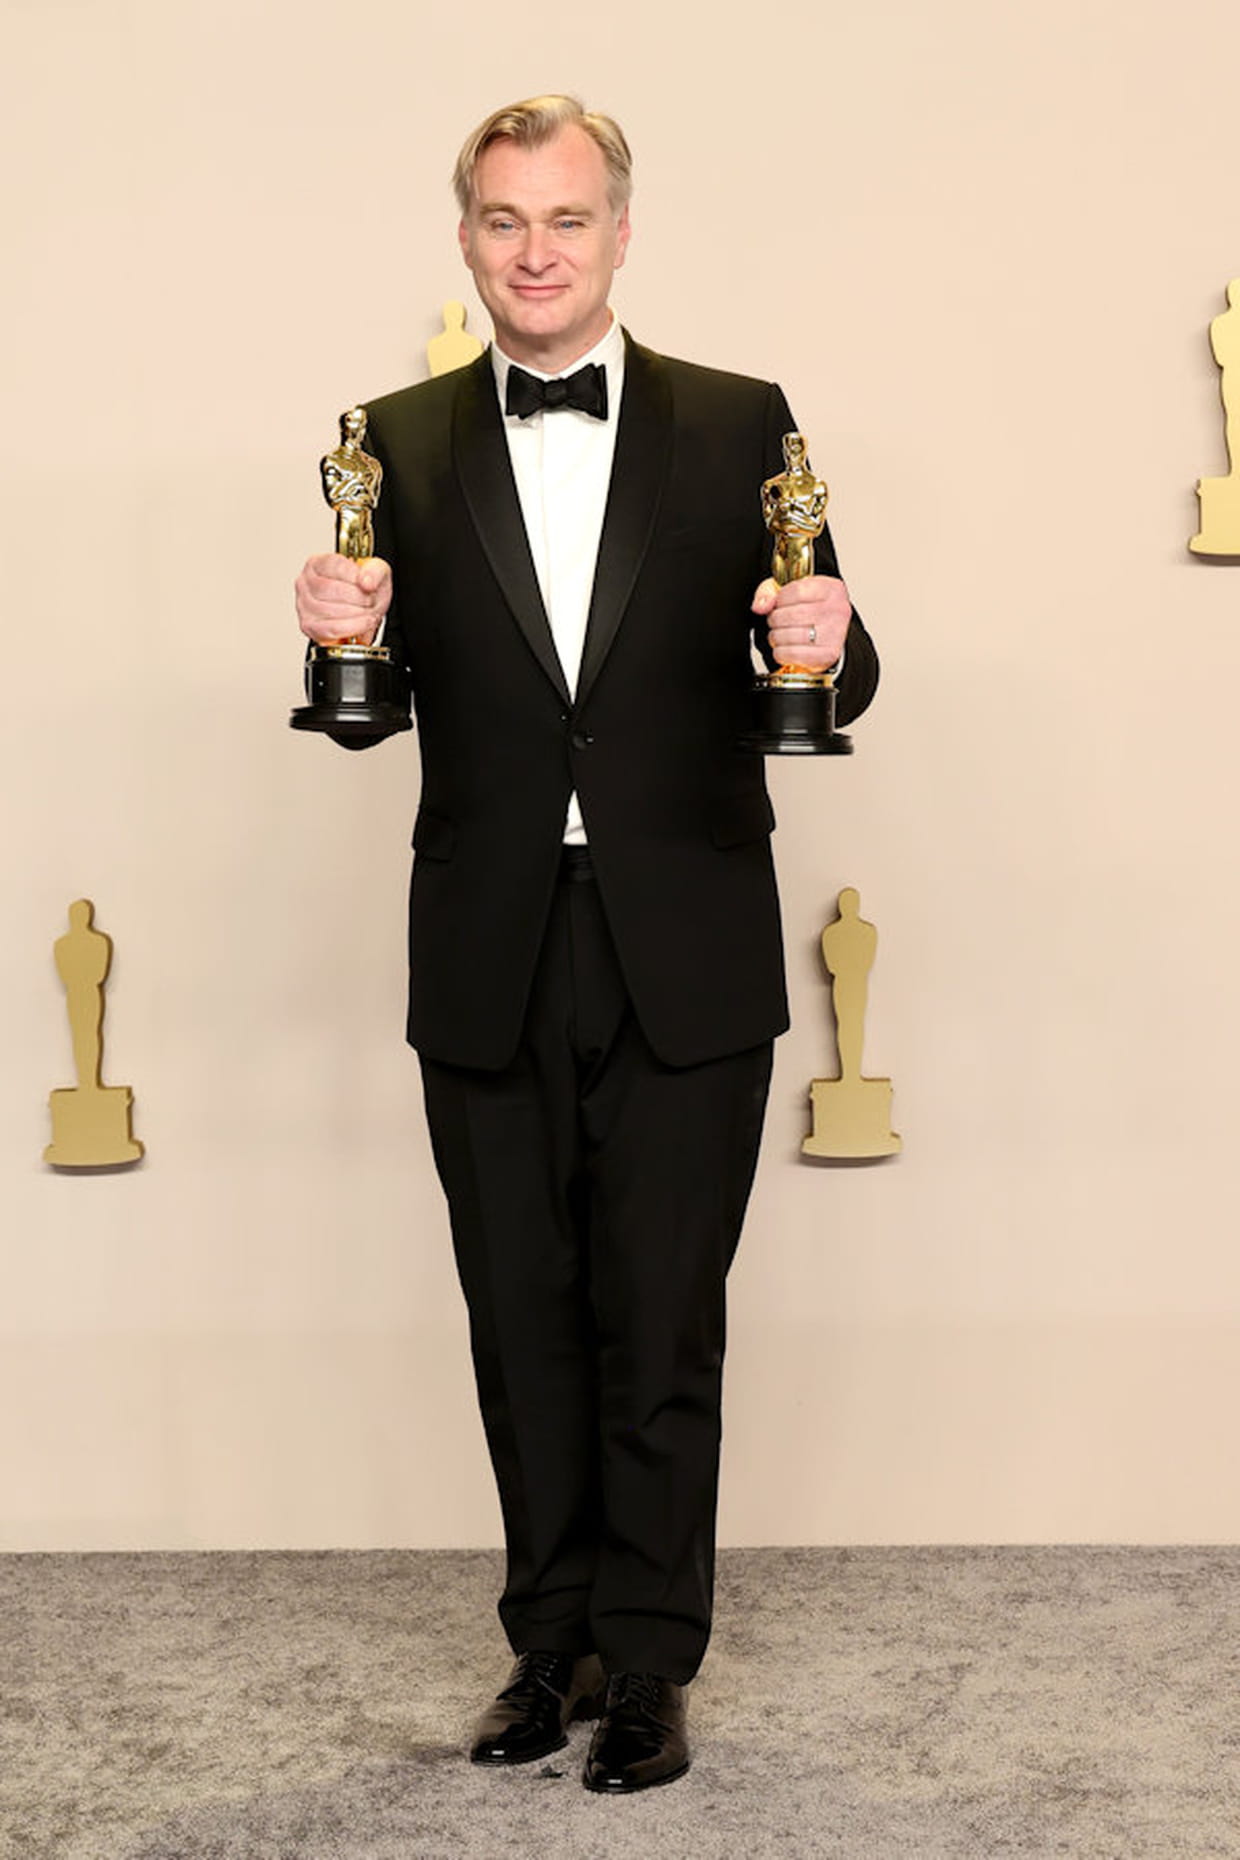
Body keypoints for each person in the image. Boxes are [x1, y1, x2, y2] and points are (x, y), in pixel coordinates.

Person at [294, 94, 879, 1795]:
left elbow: (822, 669)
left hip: (684, 936)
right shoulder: (390, 439)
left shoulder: (741, 418)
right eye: (504, 220)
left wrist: (833, 631)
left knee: (662, 1315)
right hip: (489, 938)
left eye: (566, 219)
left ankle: (651, 1666)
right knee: (520, 1313)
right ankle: (546, 1645)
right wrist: (335, 639)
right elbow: (368, 711)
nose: (535, 252)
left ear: (622, 232)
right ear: (465, 238)